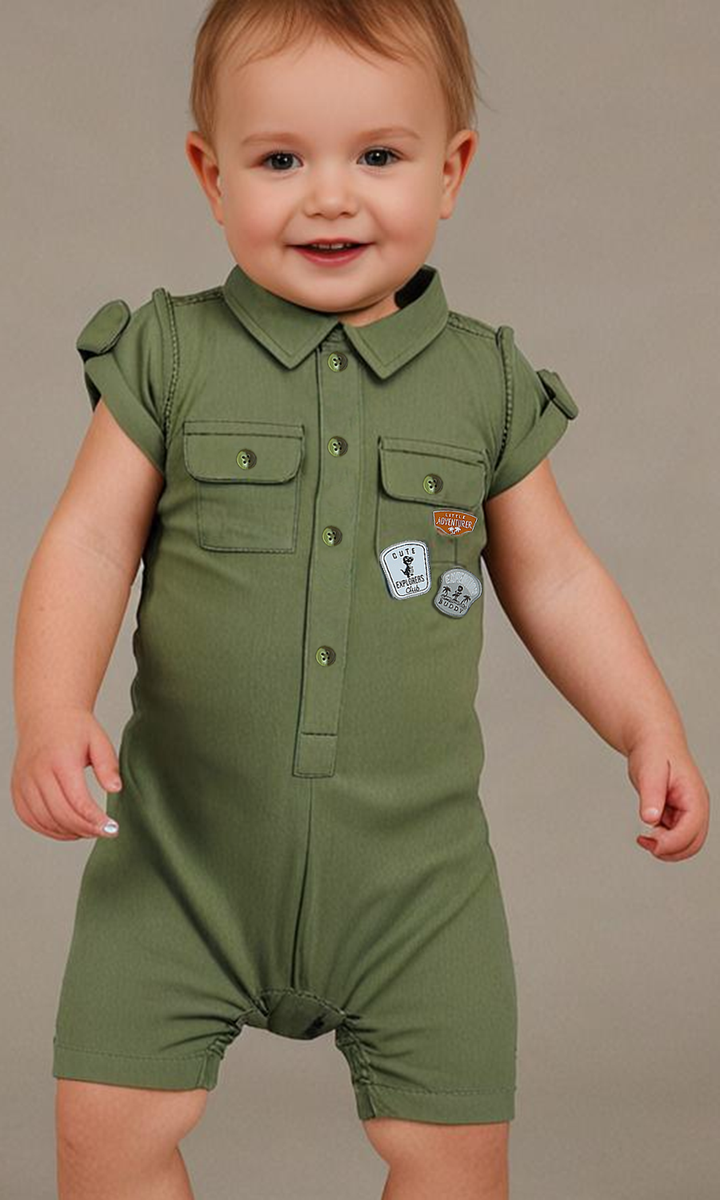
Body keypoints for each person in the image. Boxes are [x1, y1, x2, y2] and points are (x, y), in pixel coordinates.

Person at [11, 2, 710, 1198]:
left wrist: (648, 725)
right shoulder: (169, 355)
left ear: (452, 170)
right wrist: (48, 712)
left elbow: (557, 574)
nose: (329, 198)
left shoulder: (484, 381)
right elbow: (84, 542)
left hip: (417, 884)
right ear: (211, 174)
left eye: (378, 155)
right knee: (106, 1132)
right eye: (280, 159)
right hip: (179, 860)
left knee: (453, 1159)